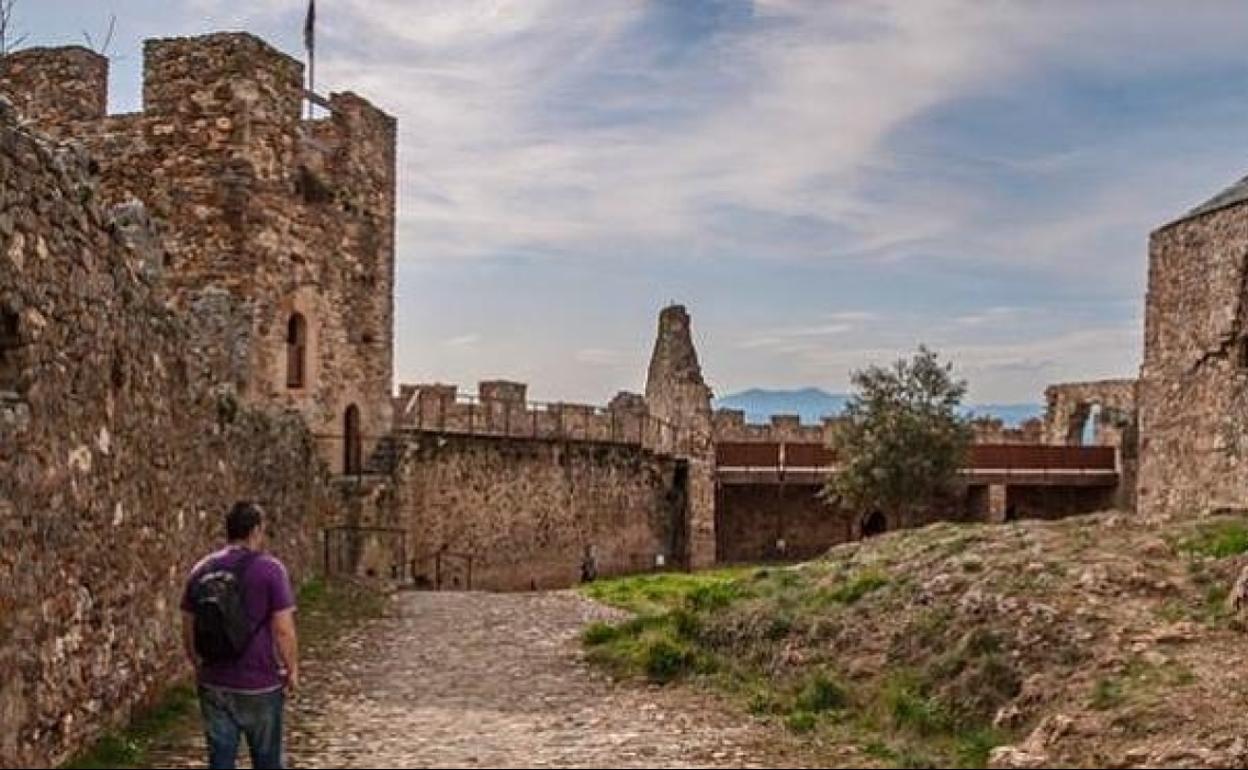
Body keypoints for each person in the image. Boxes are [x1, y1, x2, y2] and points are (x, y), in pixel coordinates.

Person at [181, 501, 299, 770]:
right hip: (260, 682)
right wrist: (292, 669)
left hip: (215, 682)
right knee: (267, 760)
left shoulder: (201, 570)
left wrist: (197, 663)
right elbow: (283, 629)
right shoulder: (271, 570)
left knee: (220, 761)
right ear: (256, 530)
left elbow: (188, 625)